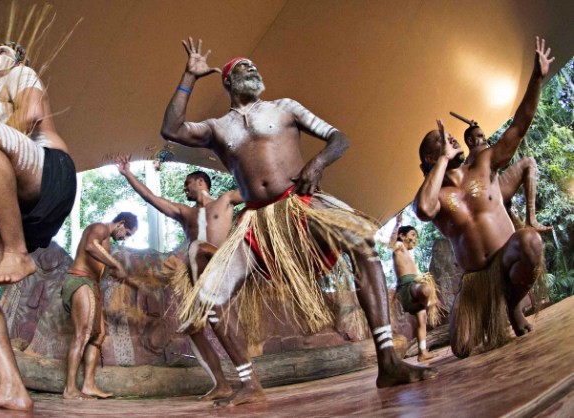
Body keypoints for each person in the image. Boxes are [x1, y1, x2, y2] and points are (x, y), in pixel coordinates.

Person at [160, 38, 435, 406]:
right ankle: (247, 383)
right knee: (208, 296)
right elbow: (172, 129)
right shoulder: (217, 128)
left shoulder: (285, 108)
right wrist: (189, 77)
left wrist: (317, 164)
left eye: (254, 66)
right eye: (244, 67)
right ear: (227, 81)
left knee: (362, 241)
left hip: (301, 205)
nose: (253, 70)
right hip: (257, 223)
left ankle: (387, 360)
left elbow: (339, 138)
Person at [414, 38, 553, 358]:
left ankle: (512, 306)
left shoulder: (483, 164)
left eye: (448, 135)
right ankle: (483, 304)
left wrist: (536, 79)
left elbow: (518, 127)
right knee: (461, 348)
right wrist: (442, 163)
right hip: (476, 279)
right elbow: (423, 209)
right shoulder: (436, 195)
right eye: (440, 140)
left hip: (507, 258)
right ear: (428, 160)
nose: (449, 137)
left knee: (530, 242)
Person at [0, 43, 77, 411]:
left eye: (3, 50)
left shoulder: (22, 74)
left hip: (49, 173)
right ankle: (12, 387)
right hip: (23, 209)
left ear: (18, 59)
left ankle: (16, 253)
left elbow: (31, 113)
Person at [115, 155, 241, 401]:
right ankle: (222, 384)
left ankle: (248, 381)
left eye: (187, 183)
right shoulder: (186, 213)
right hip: (198, 278)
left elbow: (257, 191)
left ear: (201, 182)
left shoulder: (226, 200)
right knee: (193, 328)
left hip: (223, 271)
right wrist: (128, 174)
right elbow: (151, 198)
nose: (184, 188)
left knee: (224, 324)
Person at [62, 213, 138, 400]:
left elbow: (105, 267)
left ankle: (88, 385)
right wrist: (115, 263)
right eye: (127, 233)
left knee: (99, 334)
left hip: (91, 285)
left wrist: (131, 282)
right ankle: (70, 389)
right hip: (80, 280)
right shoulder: (100, 228)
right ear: (121, 223)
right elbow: (89, 246)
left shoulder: (107, 244)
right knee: (83, 334)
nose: (125, 238)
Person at [462, 123, 550, 232]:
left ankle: (528, 221)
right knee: (528, 162)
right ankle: (530, 221)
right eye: (480, 136)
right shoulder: (476, 156)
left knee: (520, 234)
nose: (485, 139)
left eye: (484, 136)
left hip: (496, 196)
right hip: (488, 197)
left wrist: (474, 129)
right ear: (470, 141)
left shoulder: (475, 159)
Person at [389, 214, 439, 362]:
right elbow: (391, 243)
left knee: (422, 320)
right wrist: (397, 224)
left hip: (413, 288)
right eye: (412, 235)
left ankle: (422, 352)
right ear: (402, 237)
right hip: (407, 287)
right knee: (425, 290)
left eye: (416, 236)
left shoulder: (408, 254)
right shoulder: (399, 247)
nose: (415, 239)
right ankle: (429, 302)